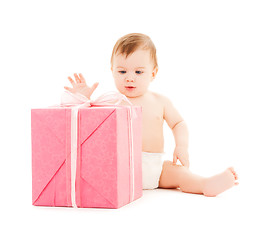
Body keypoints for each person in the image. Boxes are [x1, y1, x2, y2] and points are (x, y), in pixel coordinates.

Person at [64, 33, 238, 197]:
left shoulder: (160, 101)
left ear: (153, 73)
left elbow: (178, 123)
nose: (129, 78)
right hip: (121, 168)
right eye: (122, 72)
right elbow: (86, 126)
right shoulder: (111, 101)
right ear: (112, 71)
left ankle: (205, 185)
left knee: (179, 173)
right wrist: (84, 99)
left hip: (154, 168)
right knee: (95, 170)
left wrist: (181, 146)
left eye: (138, 72)